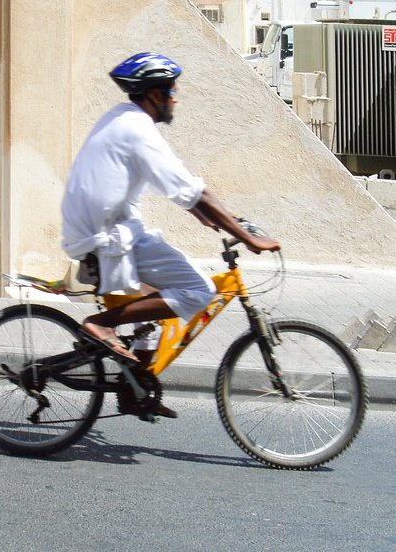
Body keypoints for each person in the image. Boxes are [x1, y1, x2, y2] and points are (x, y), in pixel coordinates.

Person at [62, 52, 279, 413]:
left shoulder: (124, 119)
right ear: (154, 95)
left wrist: (210, 216)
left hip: (105, 228)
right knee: (198, 292)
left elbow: (180, 189)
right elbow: (192, 190)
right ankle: (99, 326)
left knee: (153, 314)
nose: (176, 97)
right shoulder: (138, 131)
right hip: (106, 236)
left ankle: (134, 394)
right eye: (172, 90)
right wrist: (247, 237)